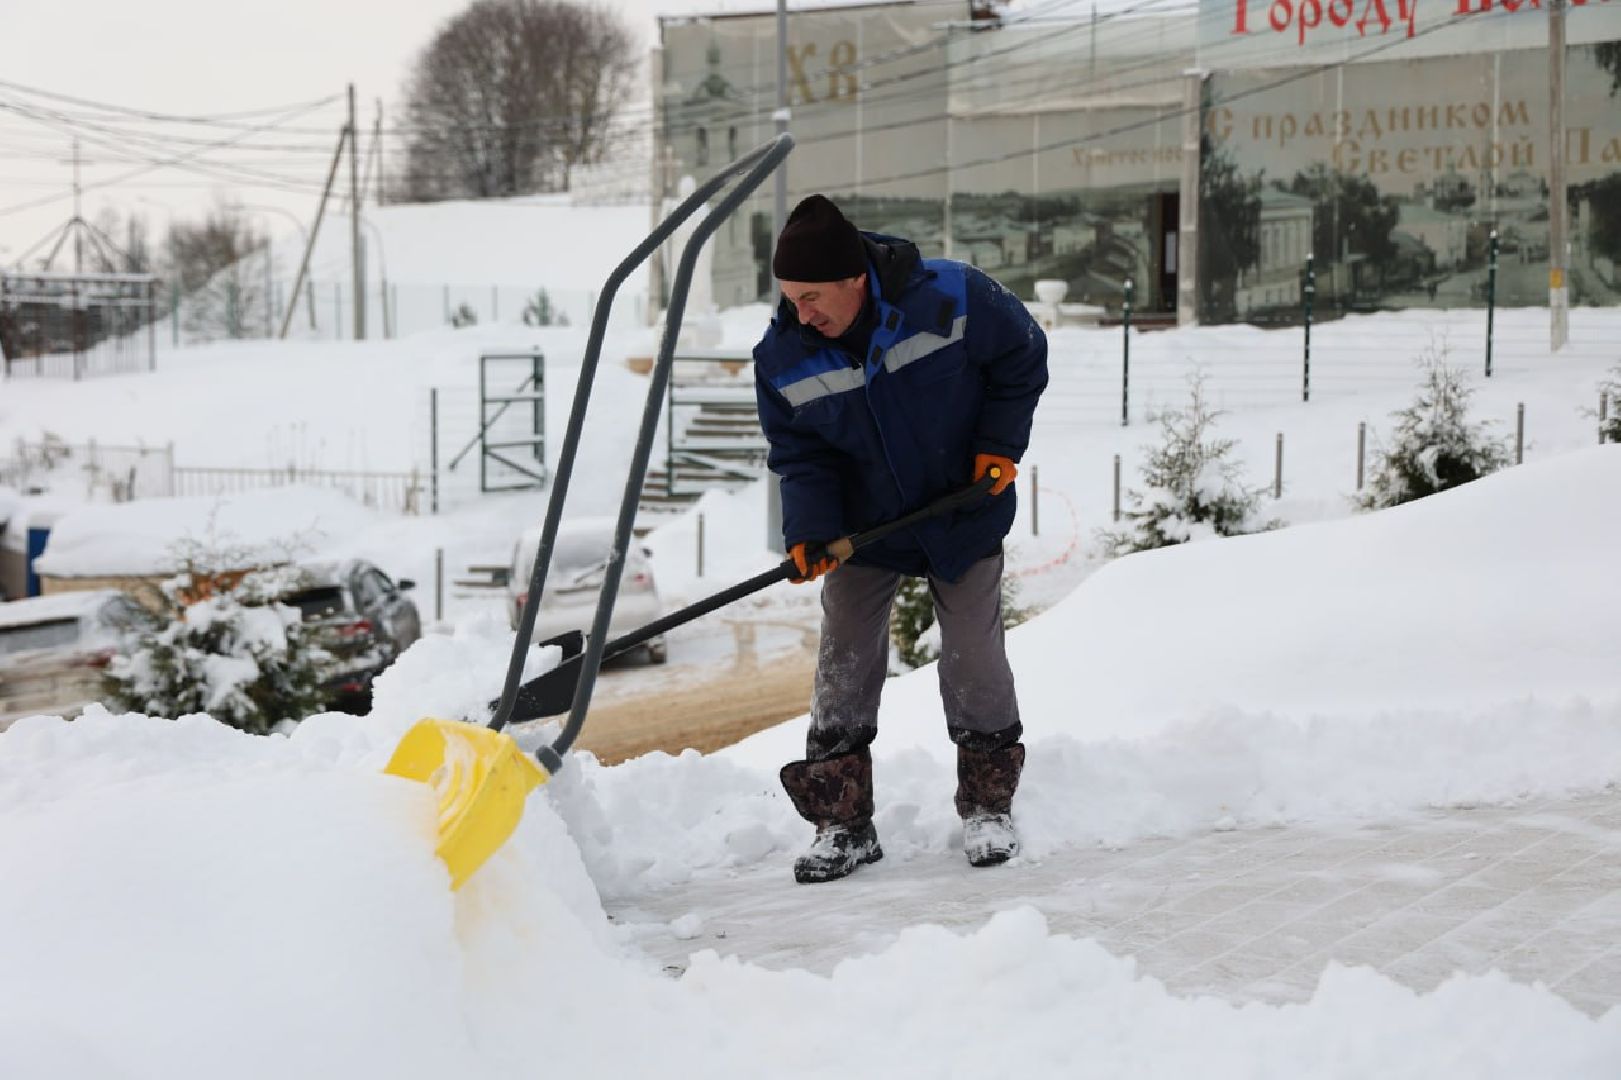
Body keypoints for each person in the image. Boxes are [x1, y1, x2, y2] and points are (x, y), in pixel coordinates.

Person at [752, 194, 1049, 883]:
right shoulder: (784, 355)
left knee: (974, 655)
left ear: (856, 278)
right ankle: (842, 822)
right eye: (791, 298)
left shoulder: (952, 296)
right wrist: (812, 530)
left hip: (962, 507)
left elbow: (1021, 356)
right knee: (844, 660)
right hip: (864, 531)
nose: (803, 313)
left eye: (813, 297)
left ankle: (987, 807)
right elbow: (799, 453)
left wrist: (998, 447)